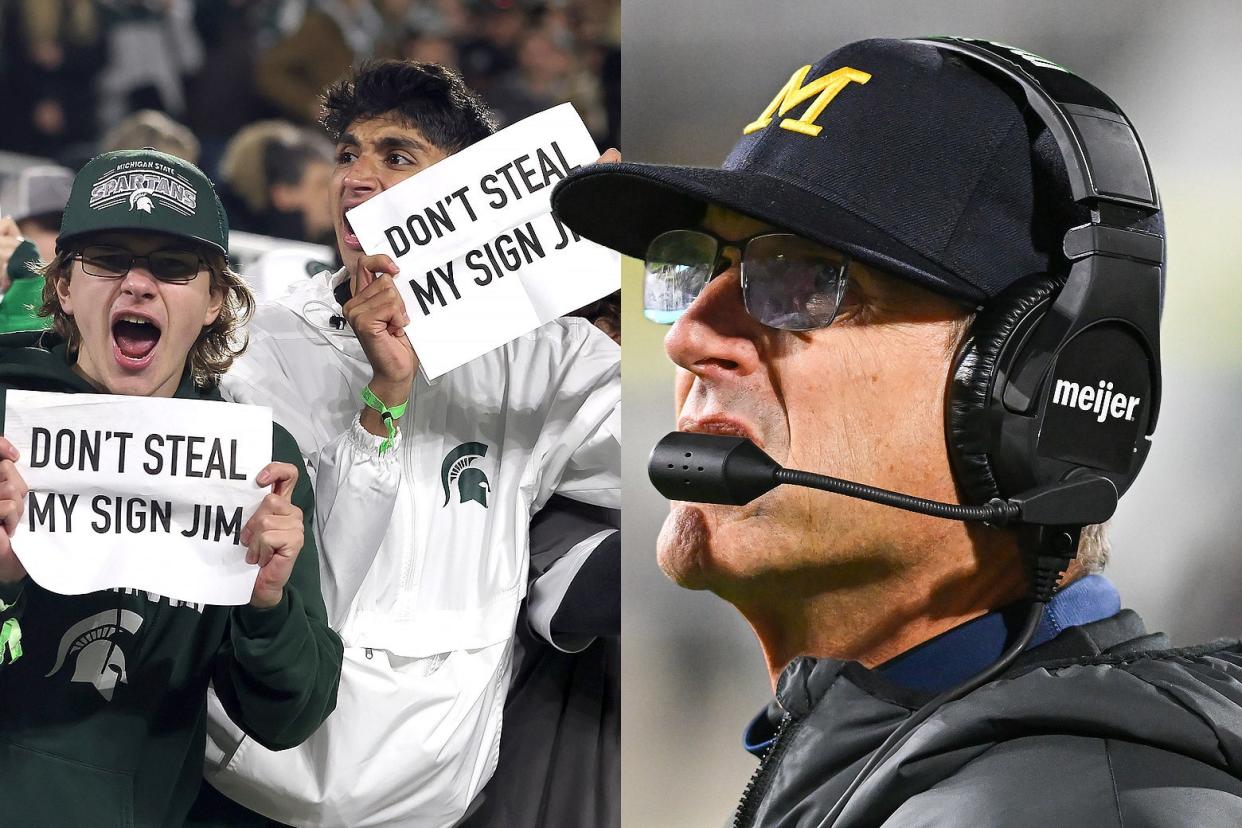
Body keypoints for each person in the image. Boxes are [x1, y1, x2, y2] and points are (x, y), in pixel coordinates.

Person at [552, 37, 1242, 826]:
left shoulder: (1067, 809)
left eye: (803, 278)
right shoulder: (921, 768)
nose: (687, 337)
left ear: (1030, 393)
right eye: (698, 264)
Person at [191, 59, 620, 827]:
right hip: (252, 777)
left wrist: (646, 252)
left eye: (396, 156)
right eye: (347, 154)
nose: (356, 177)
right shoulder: (262, 342)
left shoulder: (546, 360)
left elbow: (676, 446)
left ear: (472, 189)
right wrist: (385, 397)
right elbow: (305, 571)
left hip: (428, 801)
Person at [0, 147, 343, 826]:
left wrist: (267, 603)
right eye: (107, 259)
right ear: (64, 287)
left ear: (217, 300)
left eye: (172, 266)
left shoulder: (255, 465)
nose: (137, 284)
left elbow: (288, 718)